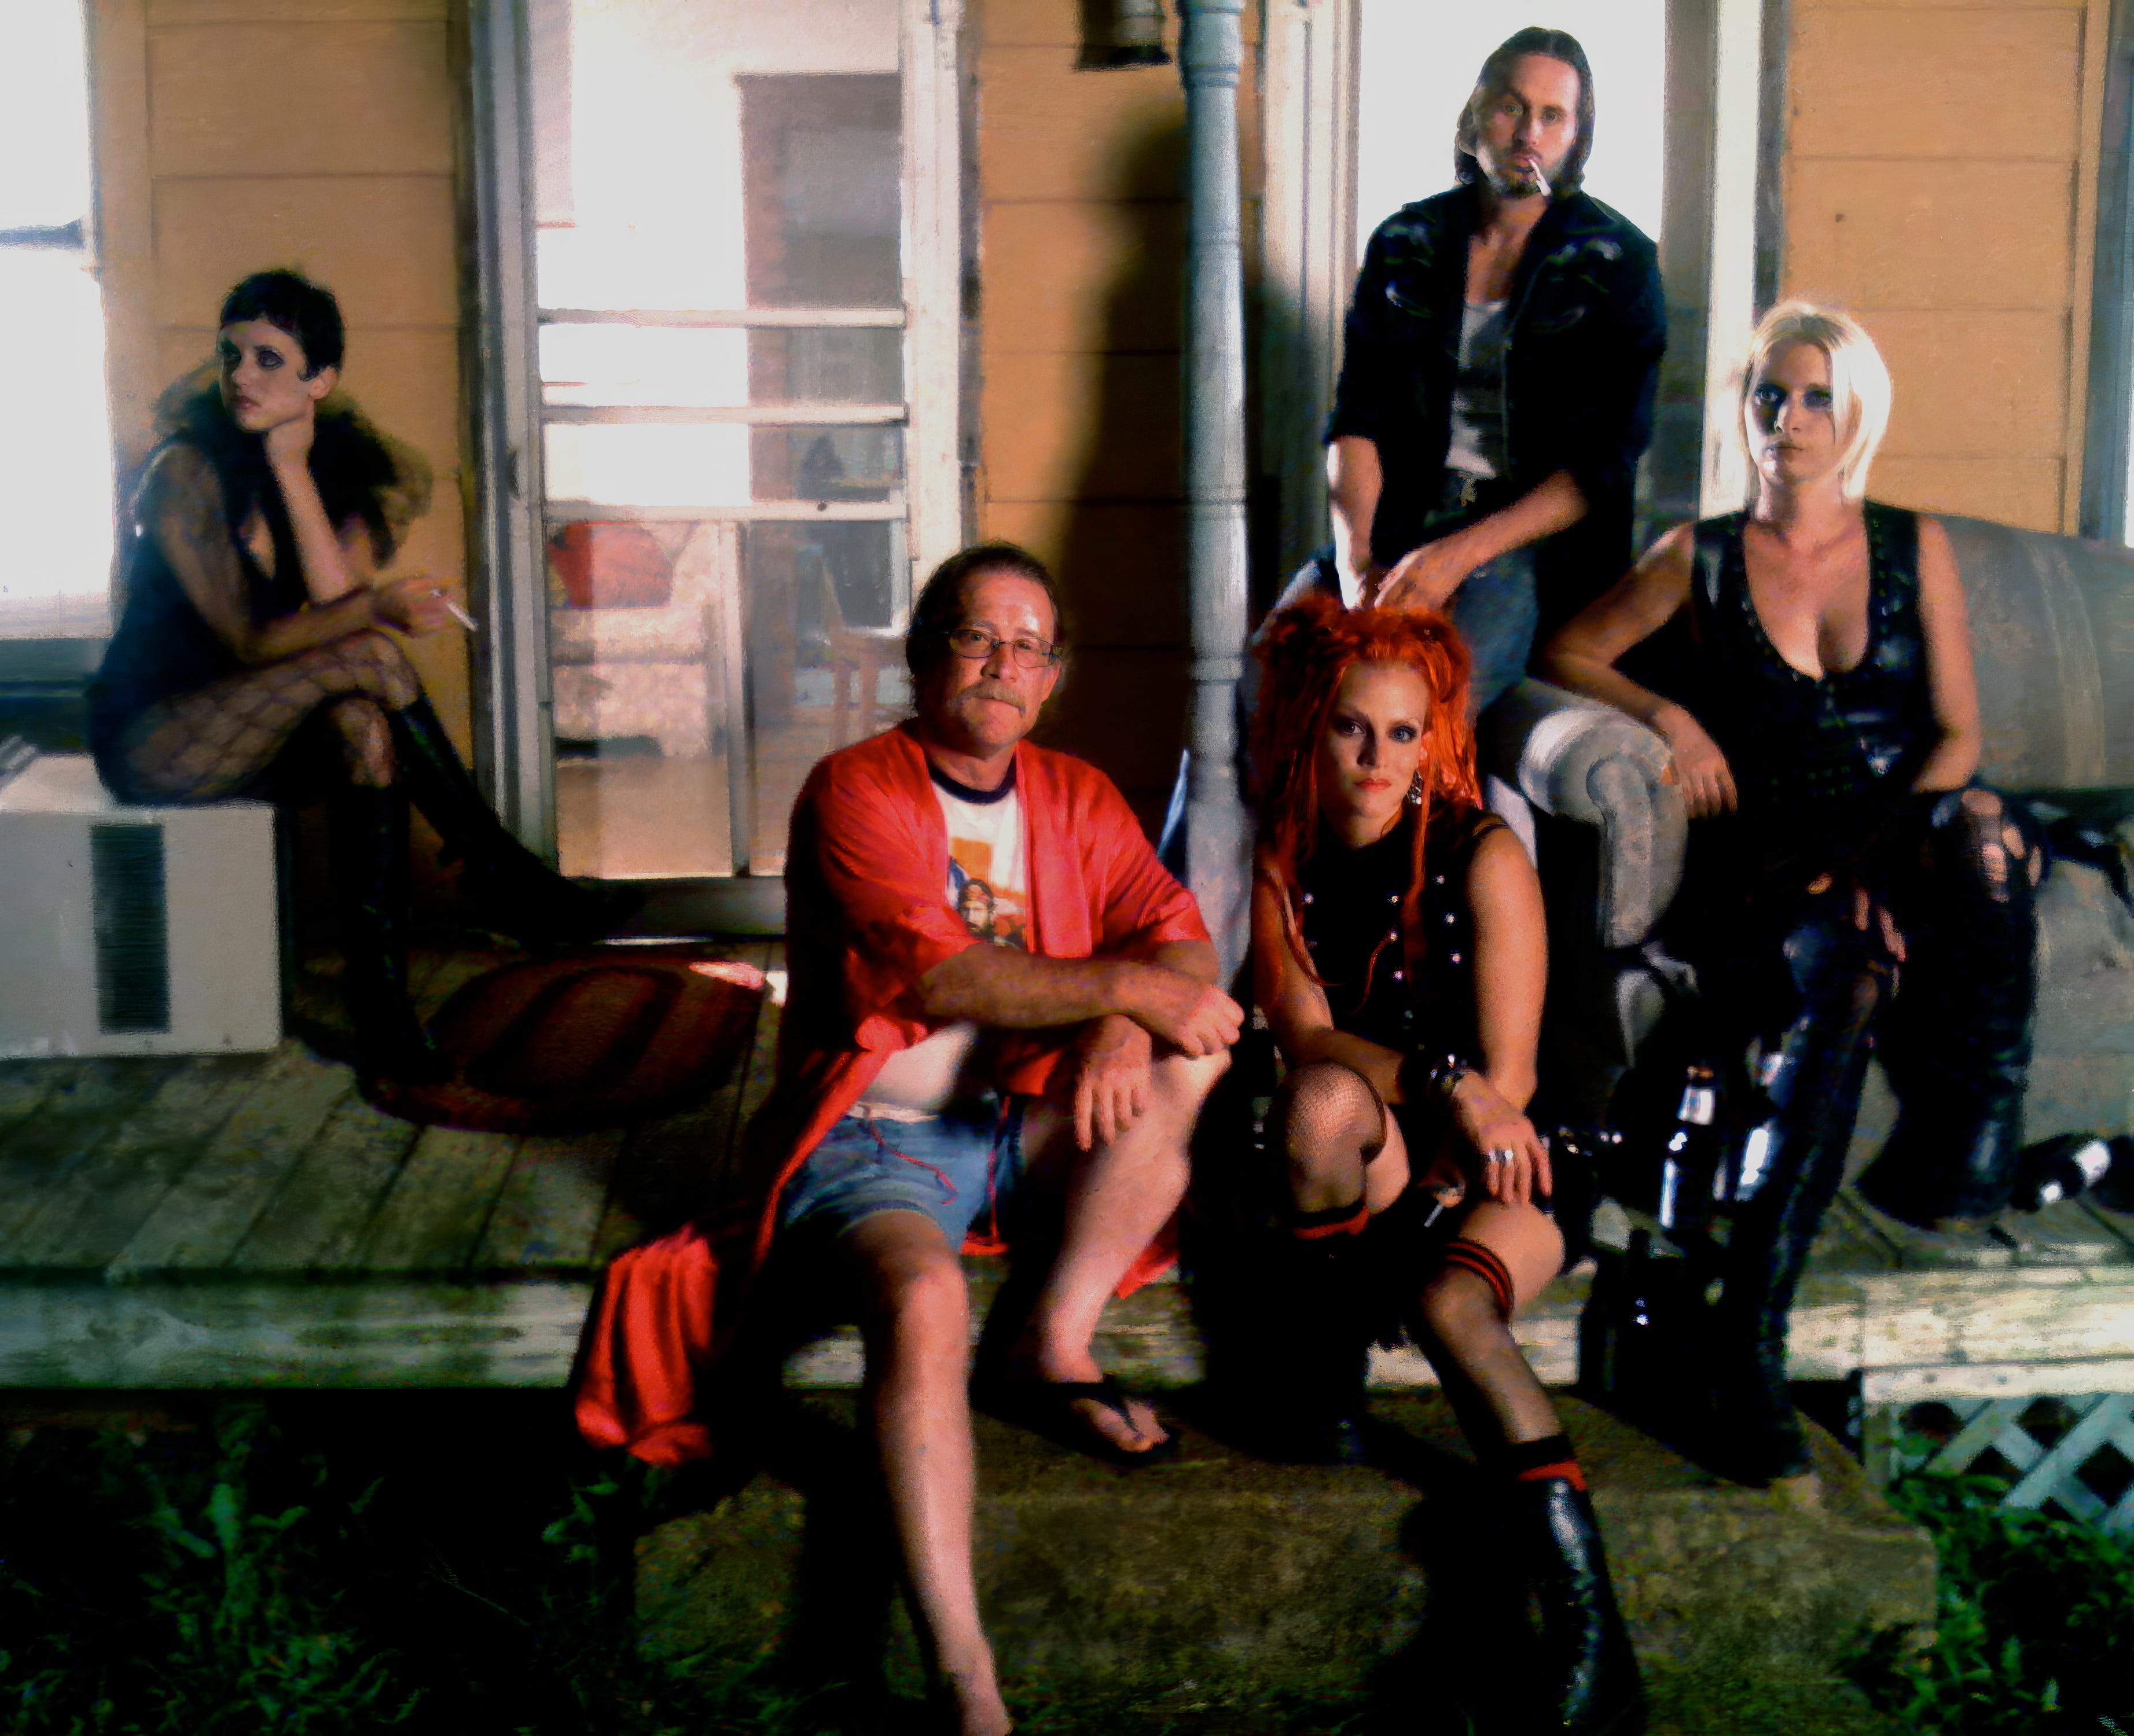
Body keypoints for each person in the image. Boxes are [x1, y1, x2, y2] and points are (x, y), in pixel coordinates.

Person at [574, 545, 1242, 1736]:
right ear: (926, 655)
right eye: (977, 637)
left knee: (1196, 1048)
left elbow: (1177, 939)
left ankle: (1052, 1341)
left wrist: (1123, 1023)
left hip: (1020, 1124)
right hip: (875, 1141)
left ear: (1051, 678)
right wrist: (1123, 992)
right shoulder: (855, 789)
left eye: (1028, 646)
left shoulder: (1076, 794)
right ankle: (965, 1680)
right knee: (924, 1301)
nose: (1002, 665)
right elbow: (944, 973)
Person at [1537, 301, 2039, 1485]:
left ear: (1855, 413)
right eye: (1770, 394)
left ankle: (1965, 1150)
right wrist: (1668, 715)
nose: (1789, 419)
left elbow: (1957, 735)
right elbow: (1562, 652)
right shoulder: (1698, 556)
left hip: (1898, 829)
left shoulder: (1912, 543)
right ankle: (1747, 1336)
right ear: (1745, 410)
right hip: (1764, 856)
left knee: (1984, 833)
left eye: (1816, 397)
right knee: (1843, 965)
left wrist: (1869, 861)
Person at [1244, 595, 1641, 1734]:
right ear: (1313, 726)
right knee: (1316, 1102)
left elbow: (1509, 1079)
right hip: (1398, 1124)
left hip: (1513, 1147)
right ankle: (1328, 1380)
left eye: (1401, 733)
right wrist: (1431, 1083)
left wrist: (1443, 1174)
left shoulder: (1481, 850)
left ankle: (1590, 1632)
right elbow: (1307, 1037)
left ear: (1433, 743)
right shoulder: (1280, 856)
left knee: (1448, 1303)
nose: (1374, 759)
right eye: (1350, 728)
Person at [87, 270, 632, 1082]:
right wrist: (376, 608)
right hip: (158, 734)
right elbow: (250, 643)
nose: (241, 376)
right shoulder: (184, 472)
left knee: (362, 721)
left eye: (269, 359)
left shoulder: (326, 463)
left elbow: (331, 604)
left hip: (257, 732)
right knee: (373, 655)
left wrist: (292, 468)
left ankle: (383, 1006)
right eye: (231, 355)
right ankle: (507, 880)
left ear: (319, 381)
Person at [1314, 27, 1664, 714]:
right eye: (1511, 107)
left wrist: (1455, 556)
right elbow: (1358, 419)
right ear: (1477, 112)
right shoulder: (1405, 243)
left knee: (1417, 706)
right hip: (1397, 526)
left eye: (1552, 116)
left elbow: (1603, 464)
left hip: (1528, 544)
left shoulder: (1618, 261)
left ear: (1577, 137)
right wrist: (1356, 563)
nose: (1528, 133)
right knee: (1263, 689)